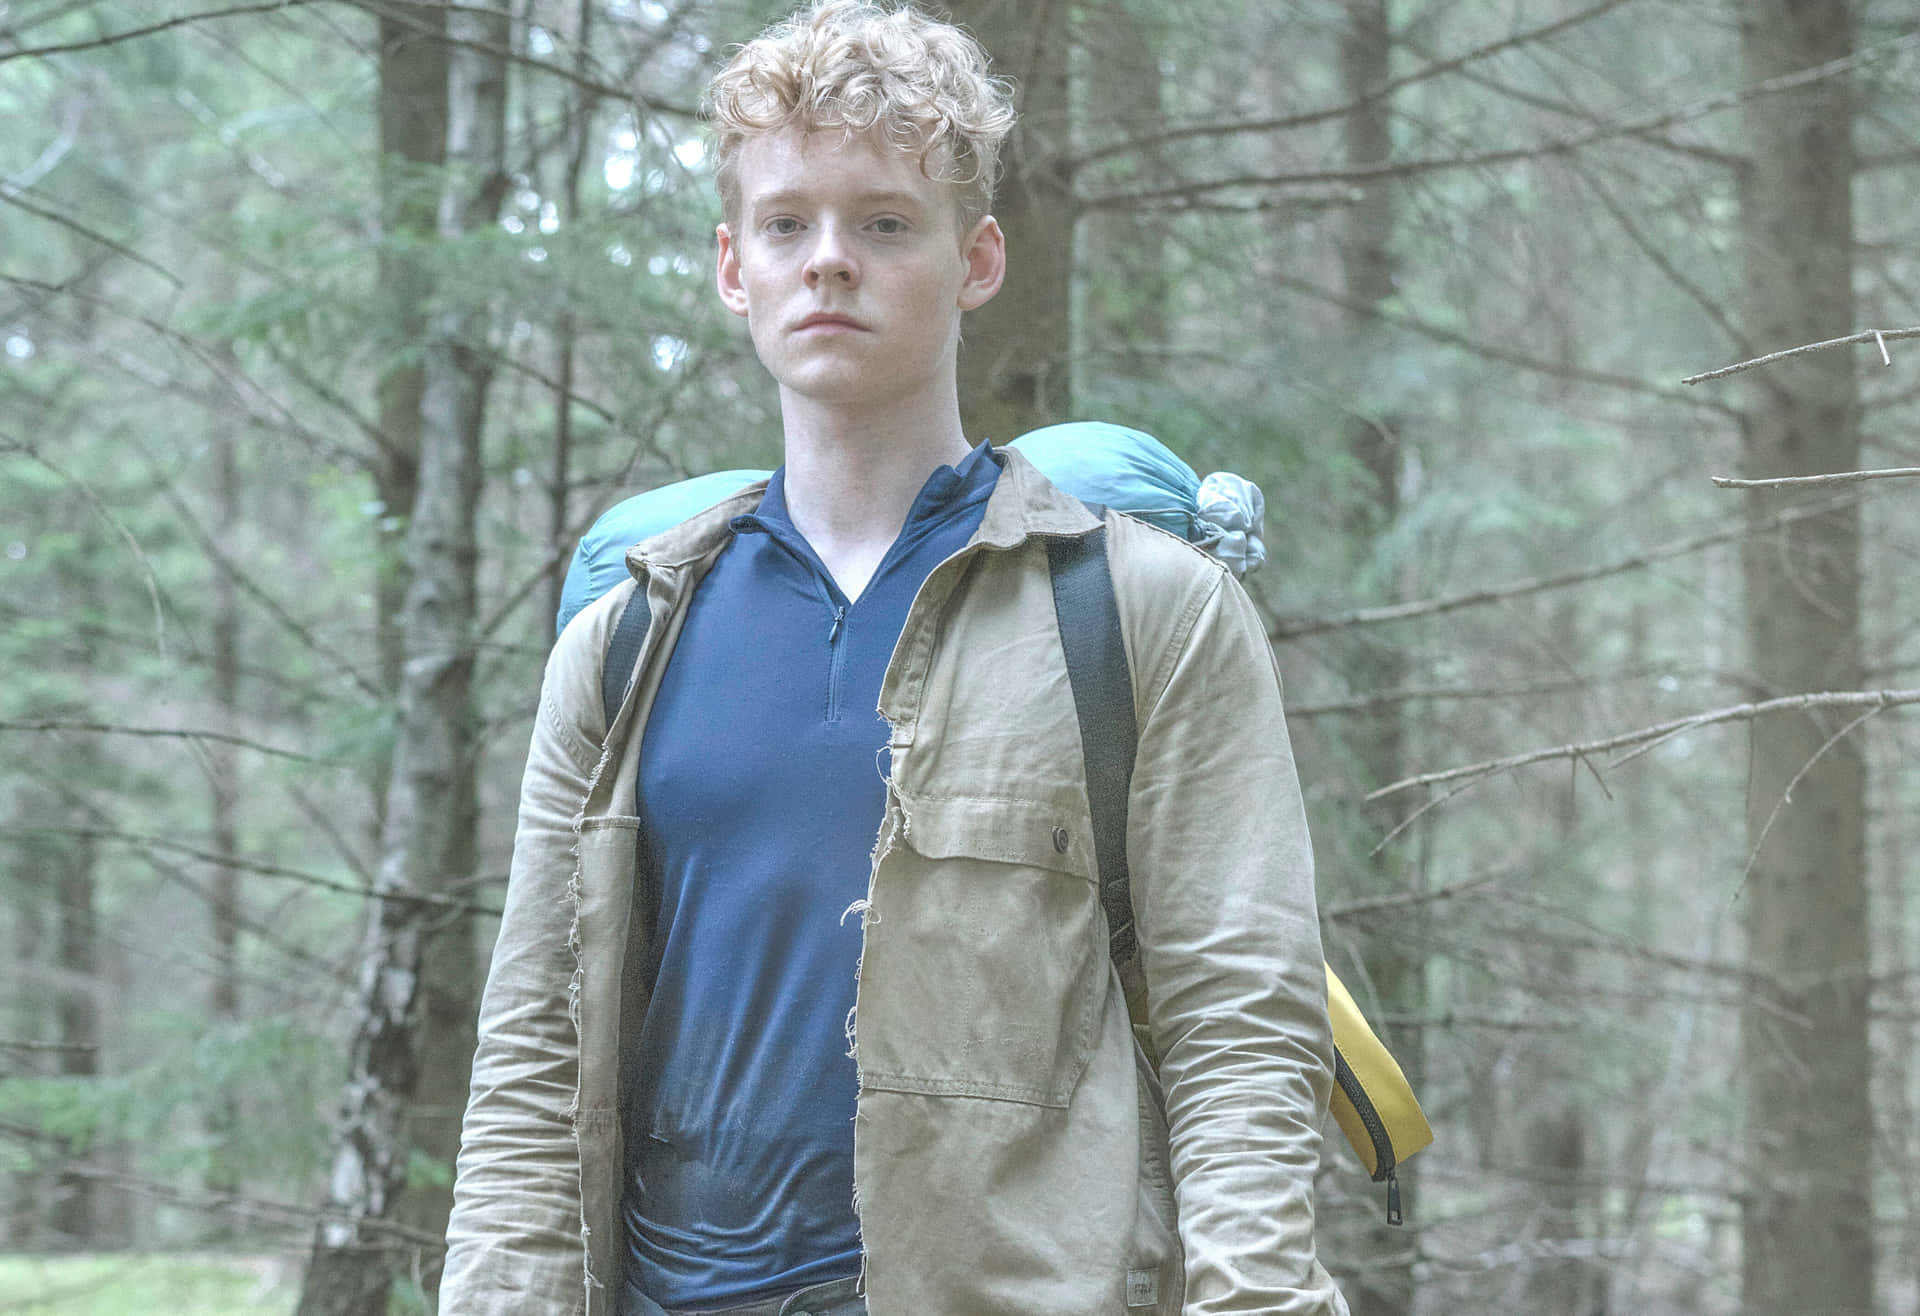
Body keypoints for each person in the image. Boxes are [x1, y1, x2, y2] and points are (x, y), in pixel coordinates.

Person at [440, 3, 1349, 1313]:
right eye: (786, 223)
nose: (829, 263)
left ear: (975, 259)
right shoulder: (625, 642)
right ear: (730, 265)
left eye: (883, 223)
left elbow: (1241, 1029)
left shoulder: (1146, 613)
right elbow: (533, 1055)